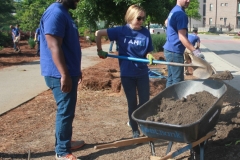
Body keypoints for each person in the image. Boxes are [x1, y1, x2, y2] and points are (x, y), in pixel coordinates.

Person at [95, 4, 154, 138]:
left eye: (143, 18)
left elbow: (149, 49)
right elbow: (98, 33)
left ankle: (142, 123)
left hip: (142, 73)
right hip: (127, 74)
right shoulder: (121, 31)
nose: (141, 21)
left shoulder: (145, 32)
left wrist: (149, 55)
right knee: (132, 102)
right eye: (139, 18)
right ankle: (135, 129)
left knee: (145, 101)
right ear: (131, 16)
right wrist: (99, 50)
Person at [40, 0, 84, 159]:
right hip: (59, 74)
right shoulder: (55, 12)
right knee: (65, 112)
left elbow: (67, 45)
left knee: (68, 111)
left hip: (68, 71)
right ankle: (62, 151)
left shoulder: (63, 12)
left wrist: (75, 70)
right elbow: (53, 45)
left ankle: (65, 141)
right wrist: (65, 74)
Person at [163, 0, 201, 87]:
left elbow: (166, 22)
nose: (188, 1)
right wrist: (195, 51)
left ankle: (168, 99)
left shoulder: (174, 10)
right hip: (175, 52)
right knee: (178, 81)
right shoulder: (181, 14)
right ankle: (176, 100)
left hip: (169, 50)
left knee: (171, 78)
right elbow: (182, 37)